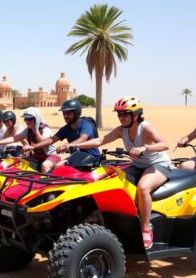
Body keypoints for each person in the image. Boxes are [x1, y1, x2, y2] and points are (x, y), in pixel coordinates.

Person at [63, 96, 172, 250]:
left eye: (125, 114)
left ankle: (146, 228)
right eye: (119, 115)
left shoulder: (146, 128)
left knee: (143, 188)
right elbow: (100, 141)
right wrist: (73, 145)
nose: (121, 118)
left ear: (135, 115)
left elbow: (165, 144)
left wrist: (145, 148)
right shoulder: (122, 130)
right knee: (113, 182)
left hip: (158, 164)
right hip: (138, 165)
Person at [23, 99, 100, 171]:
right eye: (64, 113)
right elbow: (51, 140)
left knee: (61, 168)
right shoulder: (66, 128)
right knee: (58, 167)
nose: (66, 116)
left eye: (68, 113)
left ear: (76, 113)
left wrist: (68, 145)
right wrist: (33, 147)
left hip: (92, 158)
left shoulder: (86, 124)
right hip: (77, 158)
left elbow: (83, 138)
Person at [0, 107, 58, 173]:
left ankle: (45, 182)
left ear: (36, 119)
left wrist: (36, 131)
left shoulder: (45, 129)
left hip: (50, 157)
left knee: (45, 165)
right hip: (37, 158)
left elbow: (43, 143)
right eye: (25, 119)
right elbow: (15, 138)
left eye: (29, 119)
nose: (27, 122)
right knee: (19, 164)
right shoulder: (28, 130)